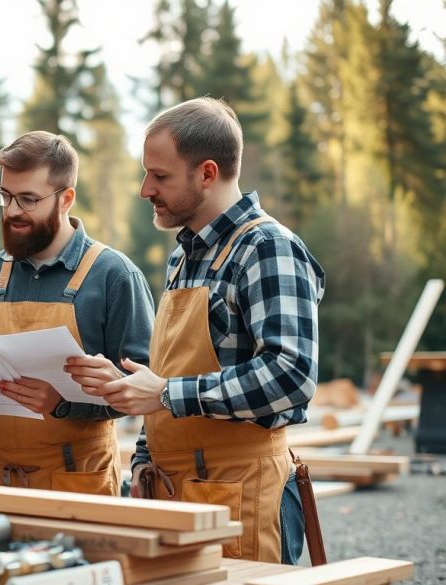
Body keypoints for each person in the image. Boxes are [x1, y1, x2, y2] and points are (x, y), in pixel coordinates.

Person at [65, 97, 326, 564]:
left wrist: (165, 393)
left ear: (207, 173)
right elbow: (167, 371)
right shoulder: (184, 257)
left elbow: (292, 377)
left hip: (243, 496)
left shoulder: (268, 248)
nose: (145, 189)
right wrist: (143, 459)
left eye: (160, 176)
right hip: (171, 493)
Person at [0, 131, 155, 495]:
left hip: (78, 483)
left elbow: (143, 394)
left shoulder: (114, 276)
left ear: (66, 198)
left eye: (28, 199)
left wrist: (63, 404)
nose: (11, 211)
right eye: (5, 196)